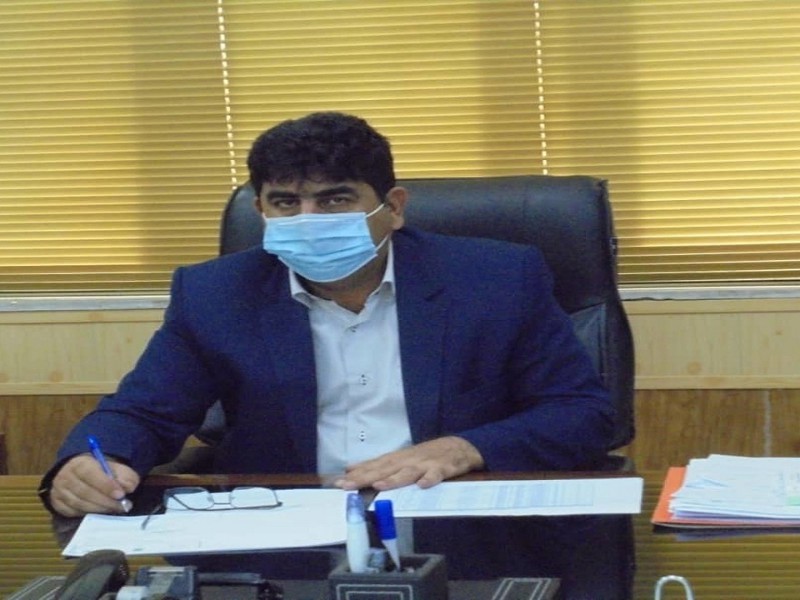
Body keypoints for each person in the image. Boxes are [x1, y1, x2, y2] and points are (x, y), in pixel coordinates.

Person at [40, 110, 614, 521]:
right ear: (261, 210)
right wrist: (92, 461)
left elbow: (585, 415)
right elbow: (142, 411)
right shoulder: (216, 294)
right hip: (284, 526)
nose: (309, 219)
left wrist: (463, 448)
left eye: (335, 199)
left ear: (393, 208)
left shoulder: (496, 279)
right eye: (286, 203)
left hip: (457, 517)